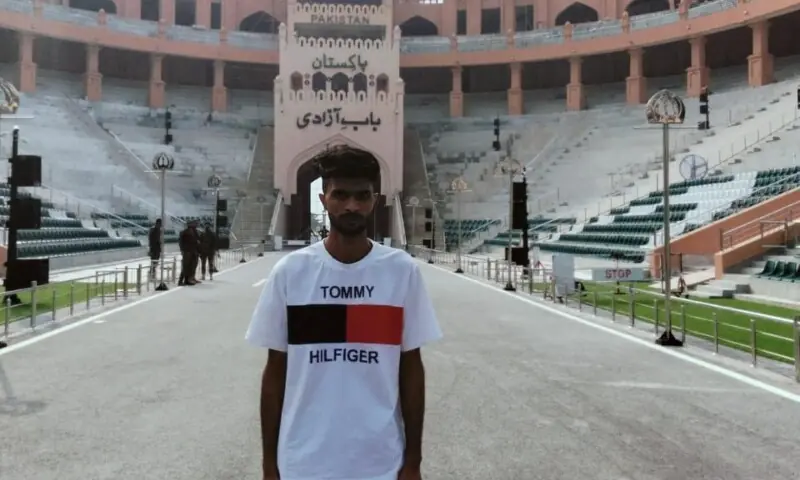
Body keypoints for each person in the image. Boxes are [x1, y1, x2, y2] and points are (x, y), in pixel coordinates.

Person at [246, 145, 442, 480]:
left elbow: (411, 369)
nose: (351, 205)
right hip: (303, 463)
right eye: (340, 195)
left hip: (380, 462)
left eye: (362, 195)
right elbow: (274, 373)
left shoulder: (401, 272)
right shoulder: (291, 273)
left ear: (374, 200)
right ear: (323, 200)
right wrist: (269, 464)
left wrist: (413, 461)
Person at [178, 220, 200, 286]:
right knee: (185, 267)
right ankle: (180, 281)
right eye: (194, 224)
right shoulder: (184, 233)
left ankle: (187, 280)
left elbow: (197, 241)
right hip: (187, 251)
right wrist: (182, 250)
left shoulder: (195, 232)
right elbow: (181, 243)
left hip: (193, 251)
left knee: (191, 266)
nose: (196, 225)